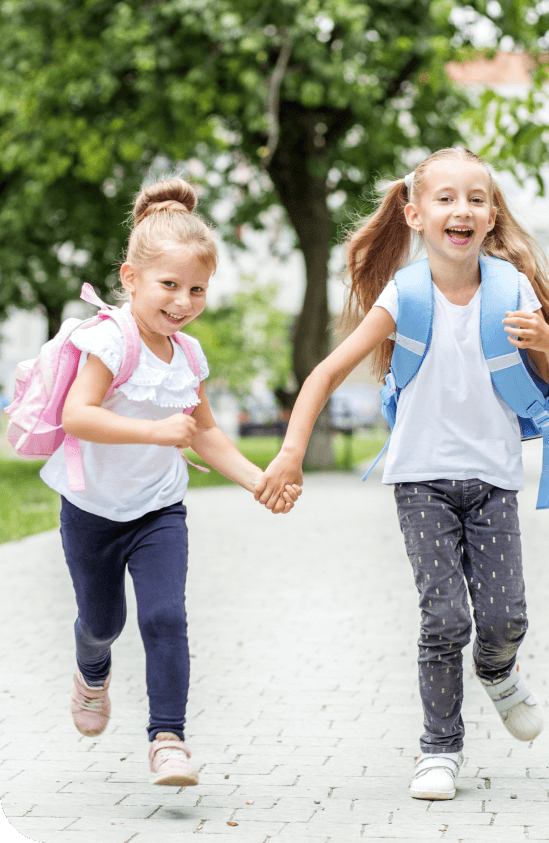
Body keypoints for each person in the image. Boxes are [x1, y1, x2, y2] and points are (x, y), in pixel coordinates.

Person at [254, 148, 549, 800]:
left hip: (494, 478)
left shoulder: (511, 288)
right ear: (415, 214)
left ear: (492, 216)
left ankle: (498, 671)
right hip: (421, 481)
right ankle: (440, 748)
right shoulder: (403, 293)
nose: (461, 209)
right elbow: (326, 372)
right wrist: (292, 452)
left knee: (504, 618)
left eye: (476, 198)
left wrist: (546, 341)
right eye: (445, 198)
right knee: (442, 618)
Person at [40, 177, 300, 787]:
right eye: (169, 286)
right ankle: (92, 670)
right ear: (130, 278)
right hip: (92, 510)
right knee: (102, 622)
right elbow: (78, 416)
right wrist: (157, 433)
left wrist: (259, 481)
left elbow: (204, 433)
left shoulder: (188, 355)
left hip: (159, 512)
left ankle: (168, 739)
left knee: (165, 617)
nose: (183, 302)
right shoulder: (109, 338)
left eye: (197, 289)